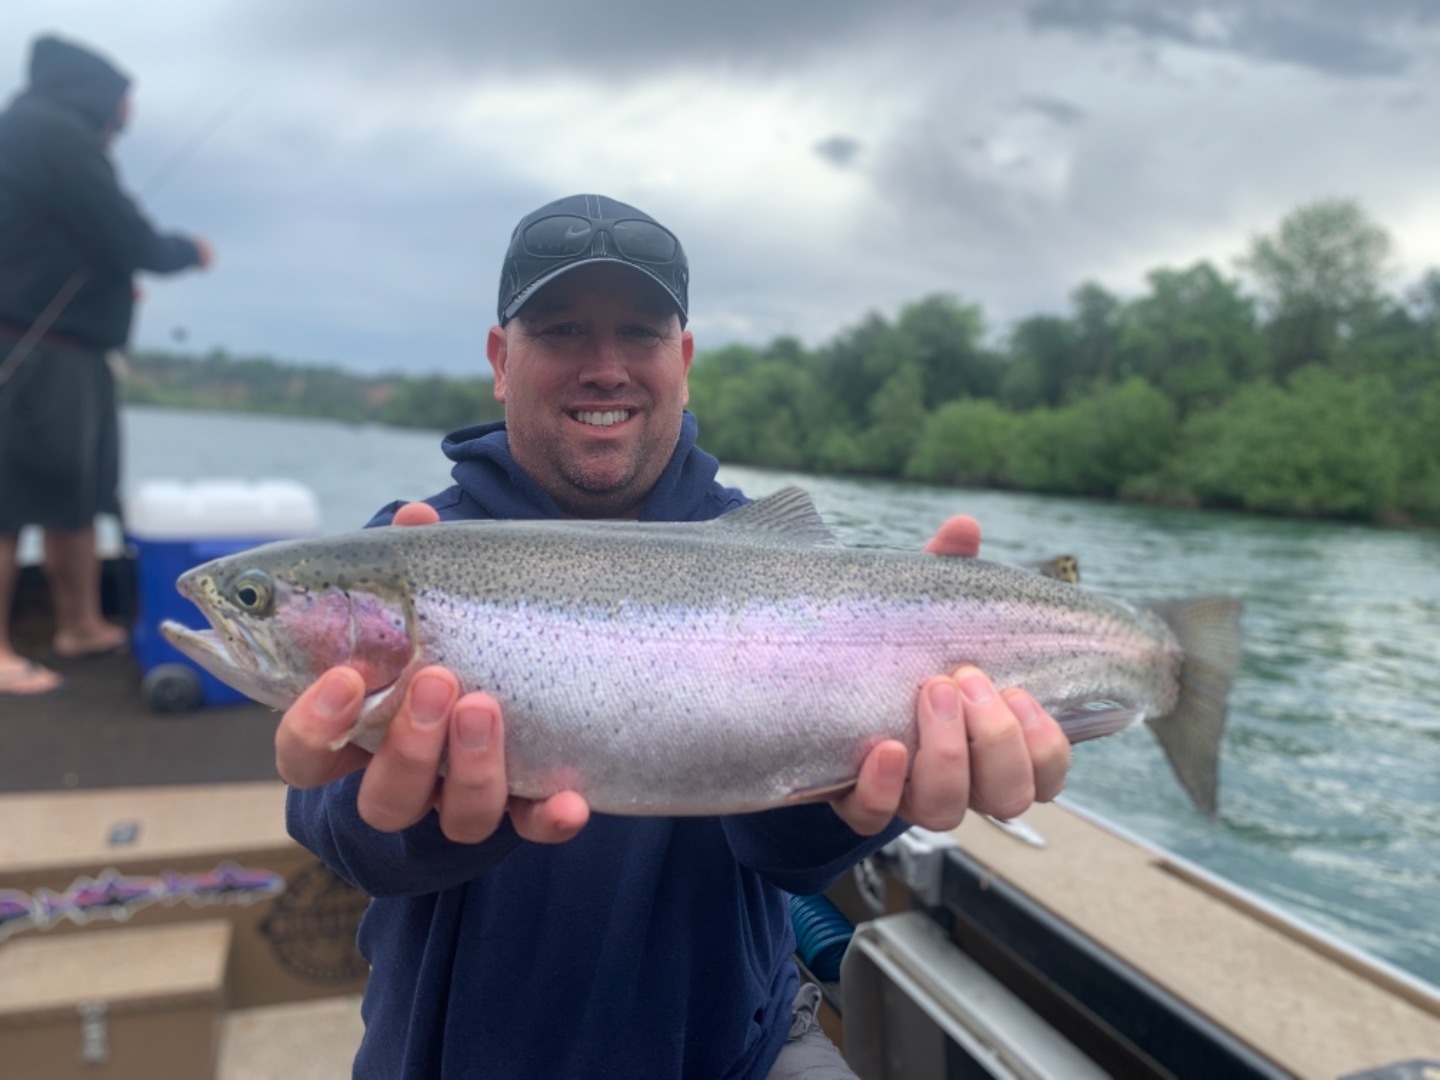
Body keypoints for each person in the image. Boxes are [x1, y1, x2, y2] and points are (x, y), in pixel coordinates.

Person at [280, 193, 1072, 1078]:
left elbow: (781, 855)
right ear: (502, 360)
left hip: (738, 1049)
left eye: (642, 333)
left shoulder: (775, 567)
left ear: (683, 360)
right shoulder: (412, 550)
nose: (606, 366)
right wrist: (420, 817)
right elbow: (335, 827)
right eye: (563, 330)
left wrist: (864, 800)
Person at [0, 33, 212, 697]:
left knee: (78, 497)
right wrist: (187, 250)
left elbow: (60, 240)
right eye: (126, 105)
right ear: (102, 96)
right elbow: (123, 234)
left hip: (69, 351)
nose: (127, 119)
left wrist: (109, 293)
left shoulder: (34, 130)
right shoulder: (53, 132)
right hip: (35, 351)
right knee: (7, 501)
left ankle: (81, 624)